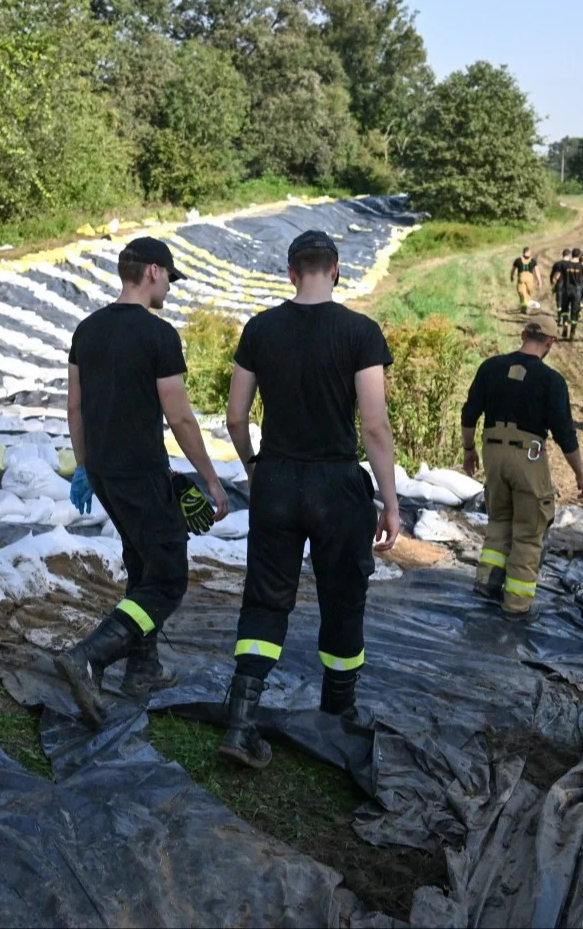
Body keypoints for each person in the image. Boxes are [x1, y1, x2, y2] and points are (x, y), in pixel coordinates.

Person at [216, 230, 399, 769]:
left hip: (275, 480)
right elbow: (375, 424)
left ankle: (241, 720)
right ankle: (337, 717)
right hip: (337, 486)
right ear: (336, 270)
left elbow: (234, 415)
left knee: (266, 598)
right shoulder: (360, 332)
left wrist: (254, 466)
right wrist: (390, 501)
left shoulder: (260, 328)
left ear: (291, 272)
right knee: (343, 597)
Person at [56, 236, 229, 728]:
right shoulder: (159, 336)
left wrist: (86, 466)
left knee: (142, 564)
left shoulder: (87, 330)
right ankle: (89, 656)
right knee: (169, 578)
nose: (170, 289)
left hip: (107, 474)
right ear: (153, 272)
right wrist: (211, 480)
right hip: (141, 472)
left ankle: (143, 668)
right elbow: (181, 418)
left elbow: (74, 406)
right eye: (170, 279)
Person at [461, 315, 583, 621]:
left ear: (523, 334)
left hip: (492, 453)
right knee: (529, 532)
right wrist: (580, 474)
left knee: (500, 519)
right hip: (527, 456)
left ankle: (486, 583)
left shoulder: (490, 367)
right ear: (550, 342)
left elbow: (469, 413)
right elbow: (564, 433)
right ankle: (516, 606)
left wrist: (469, 451)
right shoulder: (551, 381)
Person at [554, 249, 583, 341]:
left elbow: (556, 277)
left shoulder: (564, 265)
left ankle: (565, 324)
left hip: (566, 290)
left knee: (565, 309)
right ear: (579, 256)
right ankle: (572, 332)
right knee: (574, 312)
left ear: (571, 255)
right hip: (577, 292)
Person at [510, 247, 540, 313]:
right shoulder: (533, 260)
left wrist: (511, 276)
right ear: (529, 252)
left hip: (521, 278)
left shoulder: (518, 260)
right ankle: (526, 306)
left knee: (522, 292)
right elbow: (537, 271)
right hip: (530, 279)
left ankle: (524, 306)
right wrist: (539, 281)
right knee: (528, 293)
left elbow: (513, 270)